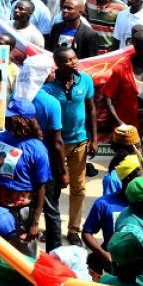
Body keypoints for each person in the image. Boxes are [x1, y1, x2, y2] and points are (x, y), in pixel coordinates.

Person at [40, 47, 96, 245]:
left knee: (78, 188)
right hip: (55, 146)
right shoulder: (47, 89)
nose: (73, 63)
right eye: (68, 61)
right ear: (57, 64)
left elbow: (91, 109)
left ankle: (74, 230)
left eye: (74, 58)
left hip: (80, 142)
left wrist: (94, 139)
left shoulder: (86, 81)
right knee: (52, 188)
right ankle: (51, 226)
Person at [0, 98, 51, 255]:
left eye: (10, 117)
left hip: (22, 213)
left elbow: (42, 187)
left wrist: (35, 222)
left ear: (20, 121)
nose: (6, 120)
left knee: (24, 254)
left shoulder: (37, 149)